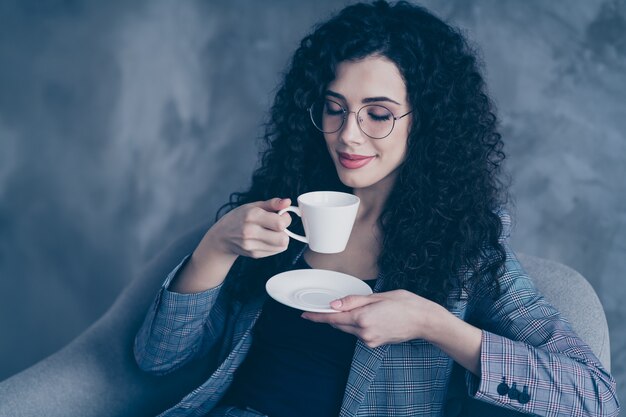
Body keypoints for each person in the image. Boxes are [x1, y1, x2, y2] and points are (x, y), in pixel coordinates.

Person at [133, 1, 619, 416]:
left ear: (424, 123)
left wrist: (434, 324)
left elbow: (593, 398)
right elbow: (156, 359)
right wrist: (216, 247)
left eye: (379, 115)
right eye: (334, 107)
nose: (348, 134)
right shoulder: (282, 212)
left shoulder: (463, 248)